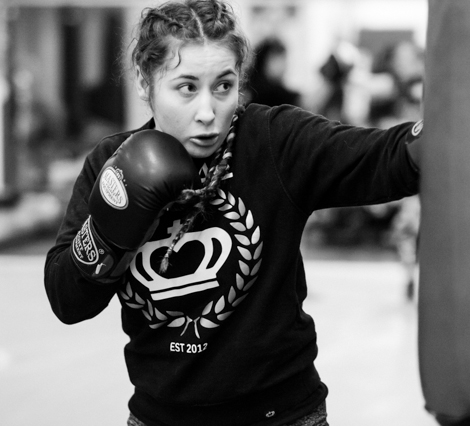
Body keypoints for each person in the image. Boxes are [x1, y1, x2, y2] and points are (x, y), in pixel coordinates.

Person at [43, 1, 421, 425]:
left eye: (224, 86)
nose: (208, 113)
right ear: (145, 83)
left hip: (283, 416)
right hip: (160, 417)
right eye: (187, 88)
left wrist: (441, 134)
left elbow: (383, 158)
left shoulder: (273, 142)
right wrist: (112, 229)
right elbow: (67, 300)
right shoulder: (110, 163)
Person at [246, 37, 300, 107]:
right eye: (277, 60)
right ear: (264, 61)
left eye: (283, 60)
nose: (283, 66)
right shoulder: (259, 91)